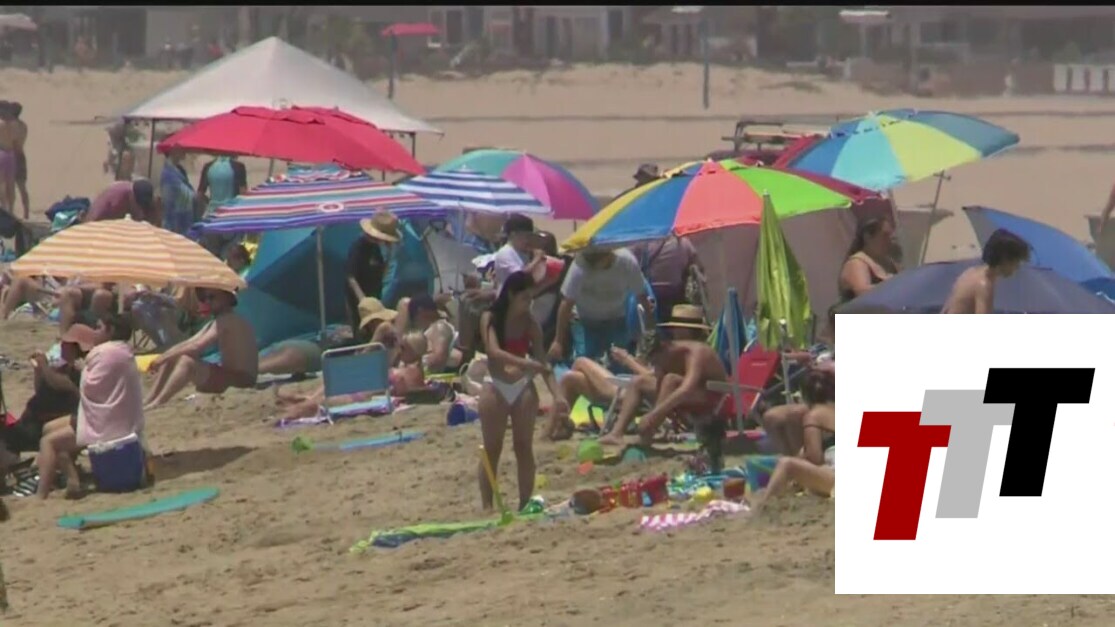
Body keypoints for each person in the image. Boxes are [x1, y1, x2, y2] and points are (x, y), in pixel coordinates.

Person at [477, 271, 565, 512]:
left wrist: (557, 395)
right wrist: (526, 363)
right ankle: (487, 506)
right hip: (495, 384)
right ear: (512, 295)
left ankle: (525, 503)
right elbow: (493, 351)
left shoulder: (530, 323)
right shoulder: (491, 317)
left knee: (523, 447)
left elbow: (543, 363)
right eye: (526, 298)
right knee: (492, 448)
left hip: (522, 385)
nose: (530, 303)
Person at [37, 315, 145, 499]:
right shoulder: (123, 351)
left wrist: (81, 370)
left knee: (48, 442)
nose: (95, 331)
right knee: (48, 428)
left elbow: (90, 389)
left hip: (108, 421)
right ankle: (72, 478)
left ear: (110, 330)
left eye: (99, 327)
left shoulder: (103, 353)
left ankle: (41, 495)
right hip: (118, 414)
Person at [598, 331, 727, 447]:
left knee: (670, 380)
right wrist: (660, 410)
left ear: (665, 347)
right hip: (685, 393)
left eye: (655, 360)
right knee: (638, 382)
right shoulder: (664, 356)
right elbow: (660, 383)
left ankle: (647, 433)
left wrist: (654, 414)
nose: (654, 364)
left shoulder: (695, 352)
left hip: (712, 394)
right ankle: (616, 433)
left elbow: (686, 389)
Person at [143, 289, 258, 408]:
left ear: (227, 298)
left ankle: (159, 401)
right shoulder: (218, 321)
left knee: (186, 362)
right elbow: (187, 343)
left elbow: (196, 346)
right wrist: (165, 356)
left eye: (212, 297)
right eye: (204, 298)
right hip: (232, 376)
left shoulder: (228, 320)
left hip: (242, 379)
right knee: (173, 356)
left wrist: (162, 358)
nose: (207, 302)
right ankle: (150, 398)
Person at [547, 247, 651, 363]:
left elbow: (641, 294)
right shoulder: (580, 265)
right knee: (585, 362)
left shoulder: (626, 261)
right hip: (584, 320)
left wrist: (650, 326)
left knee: (620, 362)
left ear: (609, 254)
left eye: (595, 260)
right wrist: (558, 341)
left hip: (617, 319)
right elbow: (567, 303)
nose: (591, 265)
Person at [0, 339, 82, 476]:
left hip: (40, 427)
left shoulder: (74, 375)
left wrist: (44, 366)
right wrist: (38, 371)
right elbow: (40, 390)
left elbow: (61, 384)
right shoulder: (55, 372)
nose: (61, 346)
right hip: (32, 424)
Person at [941, 228, 1030, 314]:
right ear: (1005, 260)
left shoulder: (970, 272)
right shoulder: (984, 286)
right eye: (1016, 262)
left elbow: (946, 310)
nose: (1018, 267)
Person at [760, 366, 835, 466]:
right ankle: (792, 460)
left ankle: (793, 462)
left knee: (787, 465)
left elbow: (815, 459)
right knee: (774, 416)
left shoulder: (813, 417)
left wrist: (801, 458)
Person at [630, 236, 704, 322]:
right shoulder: (683, 243)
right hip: (677, 299)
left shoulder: (641, 244)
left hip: (649, 299)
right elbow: (698, 271)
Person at [345, 211, 397, 329]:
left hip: (375, 294)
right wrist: (363, 300)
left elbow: (381, 274)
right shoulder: (358, 247)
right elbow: (351, 277)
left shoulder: (376, 248)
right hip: (359, 298)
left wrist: (390, 254)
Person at [837, 216, 900, 304]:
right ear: (867, 237)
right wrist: (894, 285)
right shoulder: (857, 263)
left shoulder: (889, 263)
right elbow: (863, 293)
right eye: (885, 236)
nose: (890, 241)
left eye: (890, 236)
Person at [395, 293, 463, 373]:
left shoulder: (439, 327)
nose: (415, 323)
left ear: (420, 312)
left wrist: (413, 363)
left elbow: (439, 357)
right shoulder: (433, 329)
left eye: (413, 317)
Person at [83, 179, 159, 224]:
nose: (140, 209)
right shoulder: (117, 200)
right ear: (132, 197)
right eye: (138, 204)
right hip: (97, 221)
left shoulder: (135, 195)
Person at [159, 146, 196, 235]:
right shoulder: (168, 175)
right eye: (181, 147)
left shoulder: (179, 171)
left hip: (185, 224)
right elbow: (168, 205)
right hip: (175, 228)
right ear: (172, 150)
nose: (185, 150)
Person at [7, 102, 27, 219]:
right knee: (22, 186)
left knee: (10, 186)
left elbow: (12, 142)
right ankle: (26, 212)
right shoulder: (23, 125)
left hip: (12, 156)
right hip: (20, 156)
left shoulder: (11, 126)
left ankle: (10, 211)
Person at [0, 102, 15, 214]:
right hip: (11, 153)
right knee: (10, 183)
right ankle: (11, 208)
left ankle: (4, 207)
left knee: (2, 183)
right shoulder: (13, 124)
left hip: (2, 152)